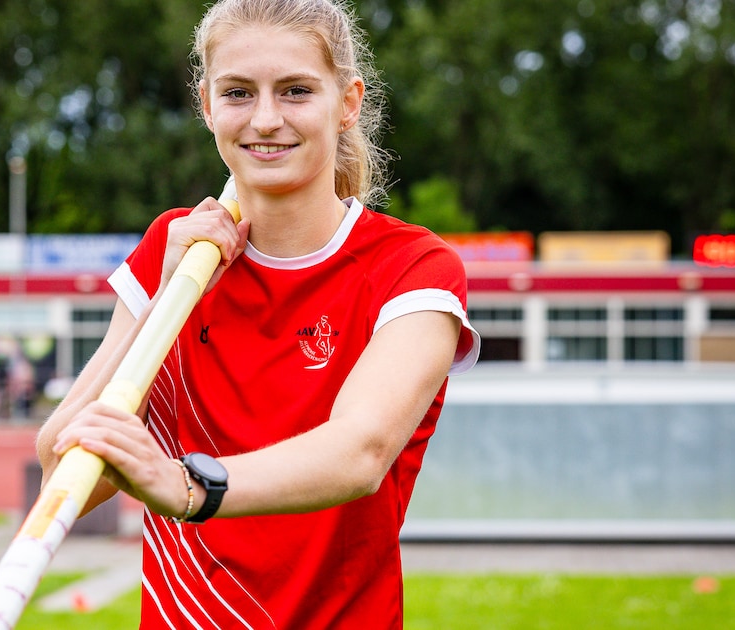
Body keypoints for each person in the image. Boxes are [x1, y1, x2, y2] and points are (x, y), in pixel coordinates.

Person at [36, 0, 481, 627]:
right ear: (207, 105)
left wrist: (188, 486)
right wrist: (158, 303)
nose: (266, 120)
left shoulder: (412, 267)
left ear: (347, 102)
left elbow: (360, 452)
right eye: (238, 93)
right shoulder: (173, 252)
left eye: (296, 90)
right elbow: (62, 471)